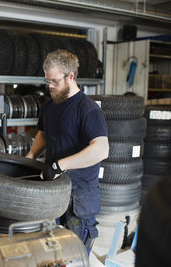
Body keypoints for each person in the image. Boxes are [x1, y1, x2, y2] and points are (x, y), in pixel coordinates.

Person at [26, 49, 109, 254]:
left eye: (54, 81)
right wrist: (29, 158)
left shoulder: (88, 109)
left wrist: (60, 165)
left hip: (79, 196)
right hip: (54, 191)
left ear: (70, 76)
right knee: (51, 251)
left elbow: (101, 149)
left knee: (74, 255)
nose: (50, 86)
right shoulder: (50, 105)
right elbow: (44, 134)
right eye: (48, 82)